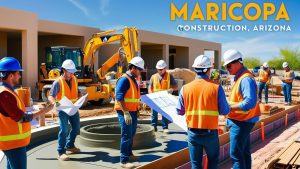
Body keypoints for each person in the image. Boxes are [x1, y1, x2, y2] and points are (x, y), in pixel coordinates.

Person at [176, 55, 230, 169]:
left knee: (196, 164)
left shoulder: (185, 88)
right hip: (210, 133)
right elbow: (225, 111)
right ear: (208, 70)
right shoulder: (216, 88)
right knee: (213, 162)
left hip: (193, 133)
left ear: (195, 69)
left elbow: (179, 111)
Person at [0, 57, 54, 169]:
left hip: (12, 142)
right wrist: (43, 111)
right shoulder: (5, 94)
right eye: (18, 73)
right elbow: (21, 118)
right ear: (10, 76)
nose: (20, 76)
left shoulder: (7, 91)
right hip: (13, 144)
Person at [223, 49, 261, 169]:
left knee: (236, 155)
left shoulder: (245, 79)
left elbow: (250, 102)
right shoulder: (240, 77)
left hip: (241, 121)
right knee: (243, 152)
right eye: (226, 66)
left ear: (238, 62)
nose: (227, 69)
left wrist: (228, 107)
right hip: (242, 120)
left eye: (229, 65)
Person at [48, 59, 82, 161]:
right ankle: (61, 151)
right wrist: (55, 103)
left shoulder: (74, 79)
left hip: (73, 108)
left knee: (76, 128)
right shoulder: (57, 82)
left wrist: (81, 97)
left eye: (73, 72)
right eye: (70, 71)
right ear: (64, 70)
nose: (72, 74)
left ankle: (70, 145)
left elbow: (77, 91)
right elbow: (51, 96)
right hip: (63, 109)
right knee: (64, 129)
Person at [114, 56, 145, 169]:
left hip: (132, 111)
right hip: (124, 111)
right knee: (126, 134)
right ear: (132, 68)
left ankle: (129, 153)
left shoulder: (133, 79)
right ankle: (124, 160)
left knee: (131, 134)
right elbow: (119, 97)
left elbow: (133, 97)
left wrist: (136, 110)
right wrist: (126, 112)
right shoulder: (124, 79)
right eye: (139, 69)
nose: (140, 72)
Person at [148, 60, 178, 133]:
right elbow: (150, 87)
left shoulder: (169, 76)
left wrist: (171, 90)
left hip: (164, 98)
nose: (160, 71)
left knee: (165, 113)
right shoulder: (153, 76)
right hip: (155, 98)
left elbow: (176, 86)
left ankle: (165, 127)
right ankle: (154, 126)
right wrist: (150, 94)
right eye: (158, 69)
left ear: (165, 68)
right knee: (154, 113)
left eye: (161, 69)